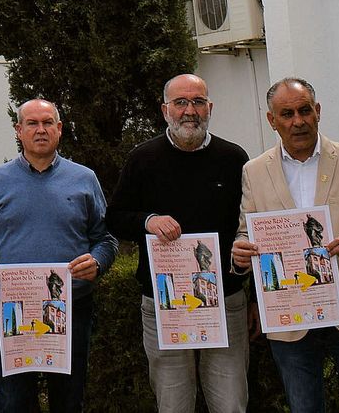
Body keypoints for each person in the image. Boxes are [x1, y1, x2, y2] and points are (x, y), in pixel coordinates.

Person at [231, 78, 339, 413]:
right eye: (287, 113)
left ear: (318, 112)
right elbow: (244, 233)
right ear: (272, 121)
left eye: (305, 110)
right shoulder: (254, 171)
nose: (298, 121)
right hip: (290, 318)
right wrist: (241, 254)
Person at [105, 73, 250, 413]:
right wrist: (147, 221)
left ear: (209, 107)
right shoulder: (142, 158)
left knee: (230, 402)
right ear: (165, 109)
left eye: (198, 102)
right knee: (173, 403)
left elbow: (248, 224)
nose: (190, 111)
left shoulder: (233, 158)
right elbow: (114, 218)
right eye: (181, 102)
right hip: (163, 302)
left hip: (226, 299)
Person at [0, 98, 117, 413]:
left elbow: (106, 238)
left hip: (71, 306)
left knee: (69, 398)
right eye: (32, 123)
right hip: (15, 310)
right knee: (14, 400)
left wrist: (98, 261)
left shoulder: (84, 178)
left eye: (48, 123)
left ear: (59, 130)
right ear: (19, 131)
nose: (41, 130)